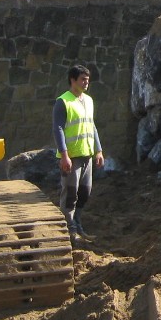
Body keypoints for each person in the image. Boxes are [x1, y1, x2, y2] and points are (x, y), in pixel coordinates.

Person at [53, 64, 104, 241]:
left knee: (84, 192)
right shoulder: (63, 101)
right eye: (82, 79)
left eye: (87, 80)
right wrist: (64, 154)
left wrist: (98, 150)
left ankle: (78, 223)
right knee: (70, 193)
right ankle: (70, 229)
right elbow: (58, 128)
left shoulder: (88, 101)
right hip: (72, 156)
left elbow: (92, 125)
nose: (86, 83)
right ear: (72, 80)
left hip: (87, 154)